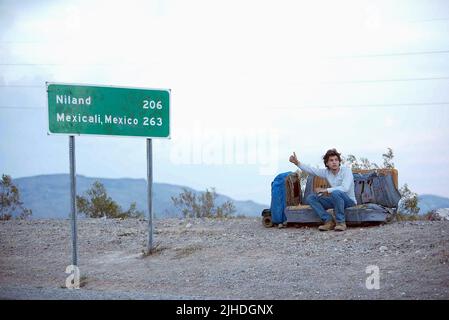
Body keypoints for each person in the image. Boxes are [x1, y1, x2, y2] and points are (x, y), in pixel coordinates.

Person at [288, 149, 356, 231]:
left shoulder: (346, 171)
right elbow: (312, 170)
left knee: (336, 192)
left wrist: (326, 190)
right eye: (331, 160)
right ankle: (328, 221)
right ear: (327, 163)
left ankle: (341, 222)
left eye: (336, 160)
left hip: (349, 201)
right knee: (311, 198)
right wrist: (297, 163)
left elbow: (345, 188)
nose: (334, 162)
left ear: (339, 161)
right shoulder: (327, 172)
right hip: (335, 200)